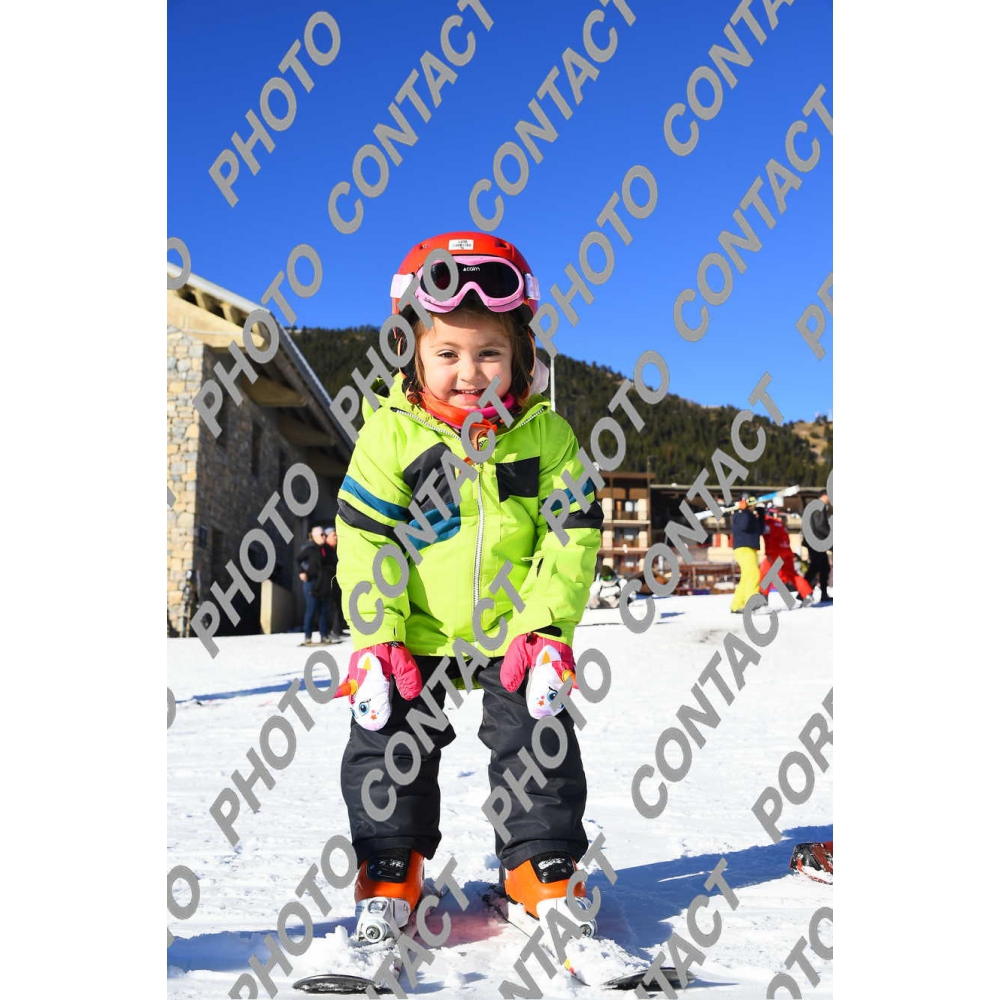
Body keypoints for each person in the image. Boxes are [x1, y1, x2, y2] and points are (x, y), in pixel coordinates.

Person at [333, 231, 602, 943]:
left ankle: (538, 864)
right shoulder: (390, 437)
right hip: (415, 626)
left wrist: (546, 627)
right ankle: (389, 865)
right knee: (386, 732)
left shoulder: (546, 438)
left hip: (512, 625)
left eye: (489, 353)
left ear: (521, 357)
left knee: (537, 727)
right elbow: (363, 539)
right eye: (447, 353)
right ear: (411, 353)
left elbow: (571, 533)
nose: (470, 372)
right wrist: (378, 635)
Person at [759, 508, 813, 605]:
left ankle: (762, 601)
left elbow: (761, 531)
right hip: (787, 552)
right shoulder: (781, 525)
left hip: (775, 553)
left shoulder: (768, 522)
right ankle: (807, 594)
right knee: (793, 575)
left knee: (765, 575)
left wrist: (759, 516)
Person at [730, 494, 766, 613]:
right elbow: (744, 526)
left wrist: (761, 514)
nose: (754, 506)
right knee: (754, 575)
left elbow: (760, 530)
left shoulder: (751, 515)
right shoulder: (740, 514)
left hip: (751, 548)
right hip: (743, 548)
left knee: (747, 577)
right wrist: (744, 510)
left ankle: (737, 605)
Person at [297, 525, 332, 645]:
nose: (324, 537)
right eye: (322, 535)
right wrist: (302, 572)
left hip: (323, 584)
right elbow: (298, 560)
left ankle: (324, 635)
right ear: (315, 536)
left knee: (324, 611)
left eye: (325, 535)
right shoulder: (309, 549)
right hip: (311, 583)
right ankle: (308, 636)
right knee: (311, 610)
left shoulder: (327, 550)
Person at [804, 492, 832, 603]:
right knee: (816, 567)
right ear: (824, 495)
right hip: (815, 542)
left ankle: (822, 594)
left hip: (816, 542)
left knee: (822, 567)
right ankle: (803, 593)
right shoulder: (818, 506)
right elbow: (820, 525)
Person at [322, 527, 347, 641]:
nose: (336, 538)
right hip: (328, 583)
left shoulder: (334, 550)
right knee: (330, 607)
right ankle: (331, 631)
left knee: (338, 606)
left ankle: (338, 629)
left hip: (336, 582)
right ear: (326, 537)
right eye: (333, 535)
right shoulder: (324, 549)